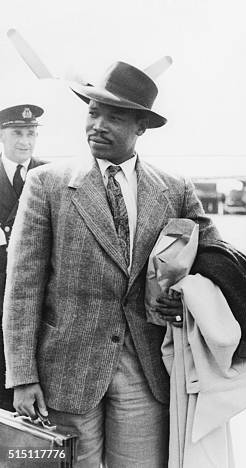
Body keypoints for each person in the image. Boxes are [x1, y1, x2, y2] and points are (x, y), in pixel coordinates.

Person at [2, 61, 219, 467]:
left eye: (114, 117)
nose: (97, 125)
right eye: (92, 112)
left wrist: (187, 297)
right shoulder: (47, 184)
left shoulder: (174, 189)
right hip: (64, 374)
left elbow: (215, 262)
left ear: (141, 127)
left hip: (146, 371)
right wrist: (23, 376)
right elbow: (23, 287)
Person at [0, 104, 46, 411]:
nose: (25, 141)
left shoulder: (50, 176)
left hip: (33, 301)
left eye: (31, 133)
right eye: (18, 132)